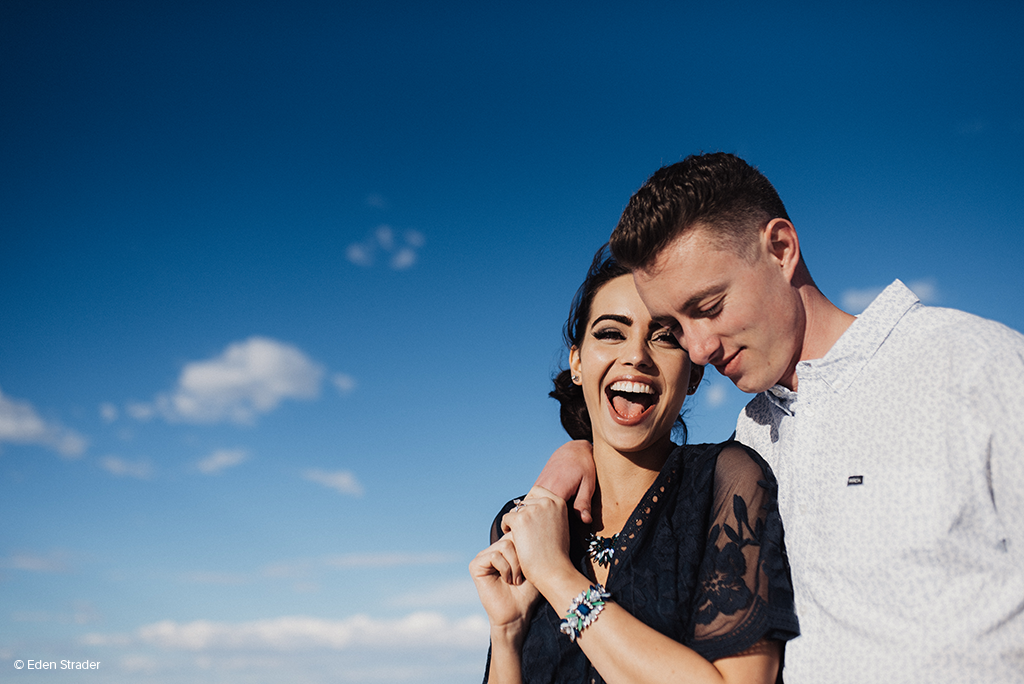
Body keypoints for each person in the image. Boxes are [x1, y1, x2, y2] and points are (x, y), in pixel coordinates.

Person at [534, 153, 1024, 683]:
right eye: (676, 325)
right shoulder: (751, 439)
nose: (697, 348)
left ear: (781, 249)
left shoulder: (979, 367)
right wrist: (580, 452)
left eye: (709, 306)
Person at [470, 247, 799, 684]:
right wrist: (507, 631)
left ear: (694, 374)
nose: (637, 356)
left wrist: (556, 576)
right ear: (578, 363)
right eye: (610, 333)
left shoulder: (728, 481)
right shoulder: (525, 519)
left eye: (664, 337)